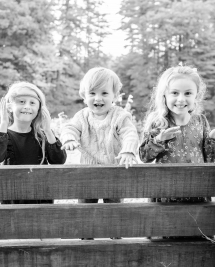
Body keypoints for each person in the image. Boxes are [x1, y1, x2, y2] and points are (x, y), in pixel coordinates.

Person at [139, 65, 215, 239]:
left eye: (188, 93)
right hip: (166, 193)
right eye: (175, 93)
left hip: (197, 192)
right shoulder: (158, 123)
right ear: (164, 95)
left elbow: (209, 158)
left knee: (197, 239)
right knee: (165, 239)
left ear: (196, 95)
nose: (181, 99)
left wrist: (213, 138)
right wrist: (159, 140)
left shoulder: (200, 121)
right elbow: (144, 156)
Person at [60, 67, 140, 239]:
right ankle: (86, 239)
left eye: (104, 93)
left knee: (114, 211)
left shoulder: (119, 115)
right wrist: (69, 139)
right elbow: (69, 128)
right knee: (86, 210)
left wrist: (128, 150)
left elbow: (130, 133)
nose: (98, 98)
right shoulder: (82, 117)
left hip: (114, 172)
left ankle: (115, 238)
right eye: (92, 93)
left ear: (115, 96)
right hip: (88, 174)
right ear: (84, 96)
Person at [0, 81, 67, 204]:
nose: (27, 106)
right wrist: (3, 122)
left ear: (39, 109)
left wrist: (47, 129)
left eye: (32, 103)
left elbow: (59, 160)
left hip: (40, 199)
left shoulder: (43, 136)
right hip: (12, 199)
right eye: (21, 102)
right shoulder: (2, 135)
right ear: (9, 107)